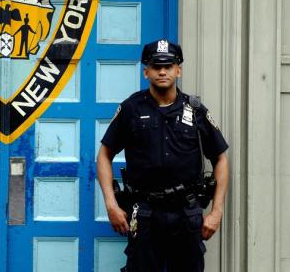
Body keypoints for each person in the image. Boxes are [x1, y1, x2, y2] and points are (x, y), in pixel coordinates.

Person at [96, 39, 229, 272]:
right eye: (156, 66)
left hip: (187, 214)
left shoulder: (195, 110)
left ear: (178, 70)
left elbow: (220, 159)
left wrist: (216, 211)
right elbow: (104, 155)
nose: (162, 71)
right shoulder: (131, 108)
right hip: (146, 213)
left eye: (169, 66)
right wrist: (111, 205)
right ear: (146, 72)